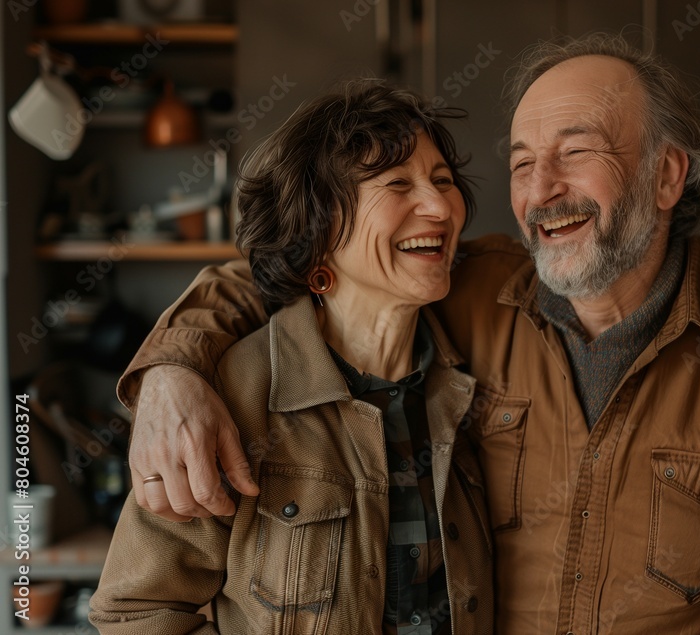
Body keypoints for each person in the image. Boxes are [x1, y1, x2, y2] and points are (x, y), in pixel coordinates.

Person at [114, 34, 700, 633]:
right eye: (518, 161)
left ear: (666, 173)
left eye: (574, 151)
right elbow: (292, 266)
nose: (541, 188)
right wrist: (171, 370)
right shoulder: (469, 292)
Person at [89, 82, 494, 634]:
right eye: (398, 183)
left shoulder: (474, 373)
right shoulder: (237, 394)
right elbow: (134, 614)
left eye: (443, 181)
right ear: (320, 226)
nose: (439, 205)